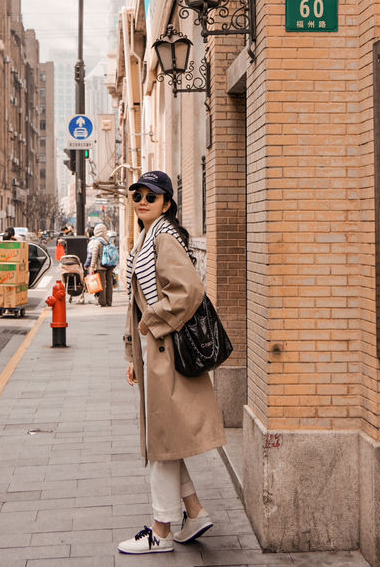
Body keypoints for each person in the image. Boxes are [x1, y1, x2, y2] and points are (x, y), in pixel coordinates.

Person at [118, 170, 226, 555]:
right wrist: (134, 353)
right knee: (164, 441)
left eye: (152, 195)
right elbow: (137, 302)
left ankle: (161, 530)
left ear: (166, 203)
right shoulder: (148, 239)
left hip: (166, 352)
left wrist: (151, 324)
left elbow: (189, 290)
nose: (143, 200)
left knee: (159, 443)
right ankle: (194, 513)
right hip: (155, 352)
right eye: (138, 195)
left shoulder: (163, 239)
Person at [87, 223, 114, 307]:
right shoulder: (109, 241)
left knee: (101, 284)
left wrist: (92, 266)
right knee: (109, 283)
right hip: (110, 265)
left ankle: (102, 302)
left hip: (101, 266)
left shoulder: (97, 242)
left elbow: (94, 255)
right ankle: (109, 301)